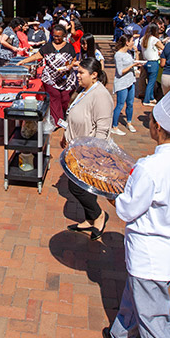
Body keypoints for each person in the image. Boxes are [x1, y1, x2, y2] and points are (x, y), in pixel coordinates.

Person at [109, 86, 170, 338]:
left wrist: (110, 194)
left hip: (149, 254)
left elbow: (127, 209)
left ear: (158, 128)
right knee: (134, 297)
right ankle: (118, 332)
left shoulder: (150, 167)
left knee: (154, 322)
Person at [62, 57, 114, 241]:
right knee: (76, 185)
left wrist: (91, 154)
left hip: (87, 152)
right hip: (75, 149)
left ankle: (98, 216)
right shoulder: (85, 90)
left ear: (94, 75)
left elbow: (103, 129)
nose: (77, 75)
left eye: (81, 72)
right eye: (77, 71)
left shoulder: (100, 96)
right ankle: (90, 218)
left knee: (78, 187)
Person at [19, 24, 77, 126]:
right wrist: (23, 61)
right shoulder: (48, 46)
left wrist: (70, 66)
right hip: (50, 78)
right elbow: (37, 56)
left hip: (66, 79)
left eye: (59, 36)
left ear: (64, 36)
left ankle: (64, 115)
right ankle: (58, 122)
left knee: (65, 99)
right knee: (54, 99)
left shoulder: (69, 47)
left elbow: (74, 60)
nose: (56, 38)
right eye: (54, 36)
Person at [111, 34, 139, 135]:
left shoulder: (128, 53)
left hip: (131, 81)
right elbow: (120, 71)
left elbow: (135, 62)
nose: (133, 43)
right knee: (120, 104)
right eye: (132, 41)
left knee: (130, 103)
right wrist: (133, 65)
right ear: (127, 42)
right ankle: (114, 126)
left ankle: (129, 122)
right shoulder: (118, 55)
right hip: (122, 83)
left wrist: (136, 52)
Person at [140, 23, 164, 106]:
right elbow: (164, 48)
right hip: (153, 62)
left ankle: (151, 97)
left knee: (149, 81)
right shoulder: (154, 39)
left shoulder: (143, 39)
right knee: (151, 82)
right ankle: (146, 100)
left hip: (146, 62)